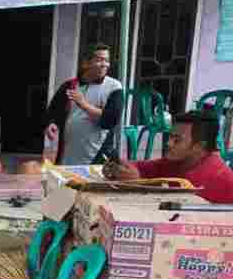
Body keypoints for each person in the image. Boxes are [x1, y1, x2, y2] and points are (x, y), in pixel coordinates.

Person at [105, 109, 233, 203]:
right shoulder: (179, 159)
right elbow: (143, 167)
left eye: (177, 140)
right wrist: (120, 168)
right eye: (170, 136)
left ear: (198, 146)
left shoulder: (210, 176)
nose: (168, 143)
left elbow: (163, 204)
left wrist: (136, 182)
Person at [43, 43, 124, 165]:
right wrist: (52, 124)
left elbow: (110, 120)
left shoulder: (114, 87)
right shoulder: (70, 85)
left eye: (107, 60)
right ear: (85, 63)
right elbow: (53, 112)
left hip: (97, 158)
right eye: (100, 60)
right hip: (67, 157)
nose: (105, 64)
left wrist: (84, 104)